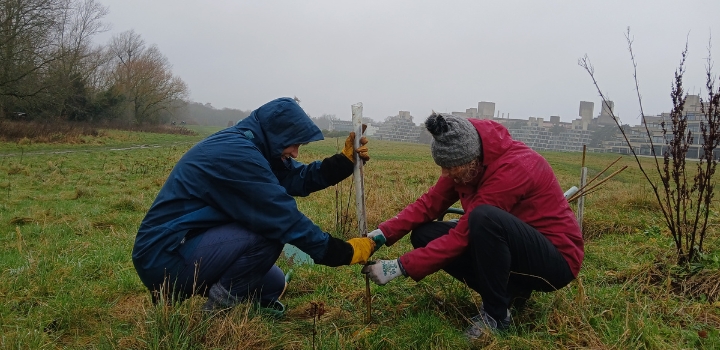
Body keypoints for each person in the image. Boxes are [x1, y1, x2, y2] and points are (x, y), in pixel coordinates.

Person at [132, 97, 379, 312]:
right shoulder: (236, 154)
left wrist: (343, 163)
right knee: (269, 233)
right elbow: (282, 217)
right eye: (294, 143)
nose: (295, 153)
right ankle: (217, 313)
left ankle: (198, 287)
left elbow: (296, 177)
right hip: (165, 255)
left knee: (274, 283)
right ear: (277, 133)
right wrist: (342, 252)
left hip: (189, 244)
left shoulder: (255, 147)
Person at [362, 112, 584, 338]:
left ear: (473, 160)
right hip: (513, 248)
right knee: (425, 235)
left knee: (484, 218)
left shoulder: (516, 167)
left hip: (555, 259)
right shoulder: (465, 159)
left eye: (451, 168)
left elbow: (463, 235)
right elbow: (430, 203)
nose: (445, 173)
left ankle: (496, 316)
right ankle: (509, 294)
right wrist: (381, 235)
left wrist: (399, 266)